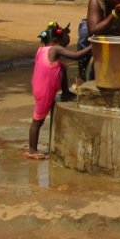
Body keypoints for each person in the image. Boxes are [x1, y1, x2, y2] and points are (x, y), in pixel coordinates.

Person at [25, 21, 90, 160]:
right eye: (64, 39)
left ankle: (66, 92)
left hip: (38, 86)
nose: (66, 42)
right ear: (55, 41)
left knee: (62, 66)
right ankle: (32, 149)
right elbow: (77, 56)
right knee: (37, 121)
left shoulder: (42, 49)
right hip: (45, 91)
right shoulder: (55, 49)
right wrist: (93, 46)